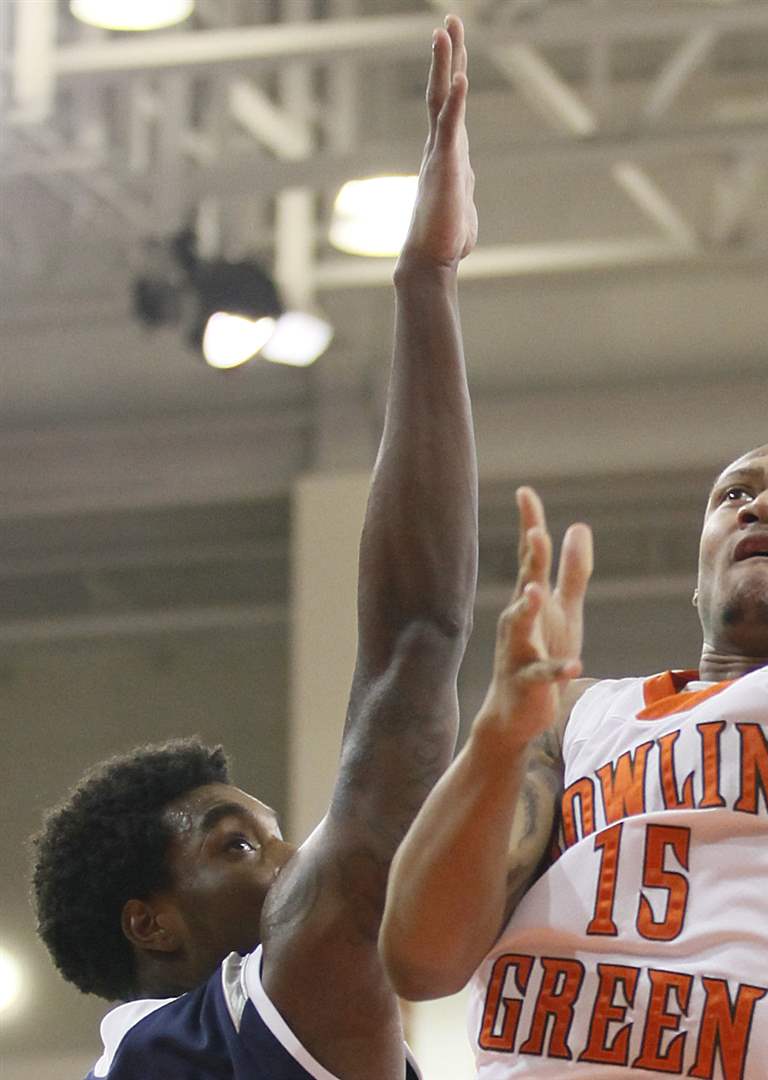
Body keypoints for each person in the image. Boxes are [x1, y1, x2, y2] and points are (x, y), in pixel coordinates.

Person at [378, 2, 768, 1077]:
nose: (763, 506)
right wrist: (498, 734)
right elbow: (420, 959)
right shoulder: (581, 723)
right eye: (735, 495)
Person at [30, 16, 478, 1080]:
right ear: (154, 924)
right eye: (235, 846)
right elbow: (414, 643)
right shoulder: (226, 1028)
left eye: (271, 835)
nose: (288, 860)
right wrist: (425, 288)